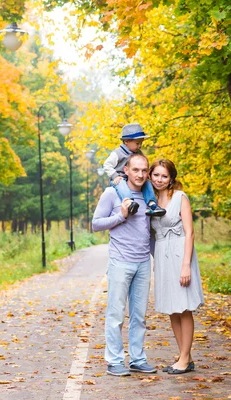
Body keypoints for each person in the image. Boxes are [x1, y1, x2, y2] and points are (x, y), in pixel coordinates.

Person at [92, 153, 157, 377]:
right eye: (136, 170)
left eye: (144, 171)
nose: (140, 174)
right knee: (116, 314)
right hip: (120, 262)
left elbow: (149, 232)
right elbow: (95, 224)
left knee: (139, 316)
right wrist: (120, 216)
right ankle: (115, 360)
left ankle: (138, 359)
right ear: (126, 170)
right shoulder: (112, 193)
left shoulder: (150, 197)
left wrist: (156, 259)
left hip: (142, 263)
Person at [149, 159, 204, 375]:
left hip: (181, 252)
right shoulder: (150, 199)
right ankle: (185, 355)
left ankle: (183, 359)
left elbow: (190, 232)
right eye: (156, 175)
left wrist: (185, 266)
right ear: (150, 176)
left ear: (171, 178)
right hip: (163, 254)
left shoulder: (180, 197)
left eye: (164, 176)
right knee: (172, 308)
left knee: (184, 307)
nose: (159, 179)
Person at [103, 123, 166, 217]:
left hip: (133, 178)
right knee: (122, 185)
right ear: (126, 141)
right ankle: (129, 204)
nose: (140, 146)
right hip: (120, 178)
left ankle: (152, 205)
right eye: (137, 143)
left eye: (141, 143)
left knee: (147, 183)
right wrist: (115, 176)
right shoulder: (118, 153)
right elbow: (107, 165)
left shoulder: (138, 153)